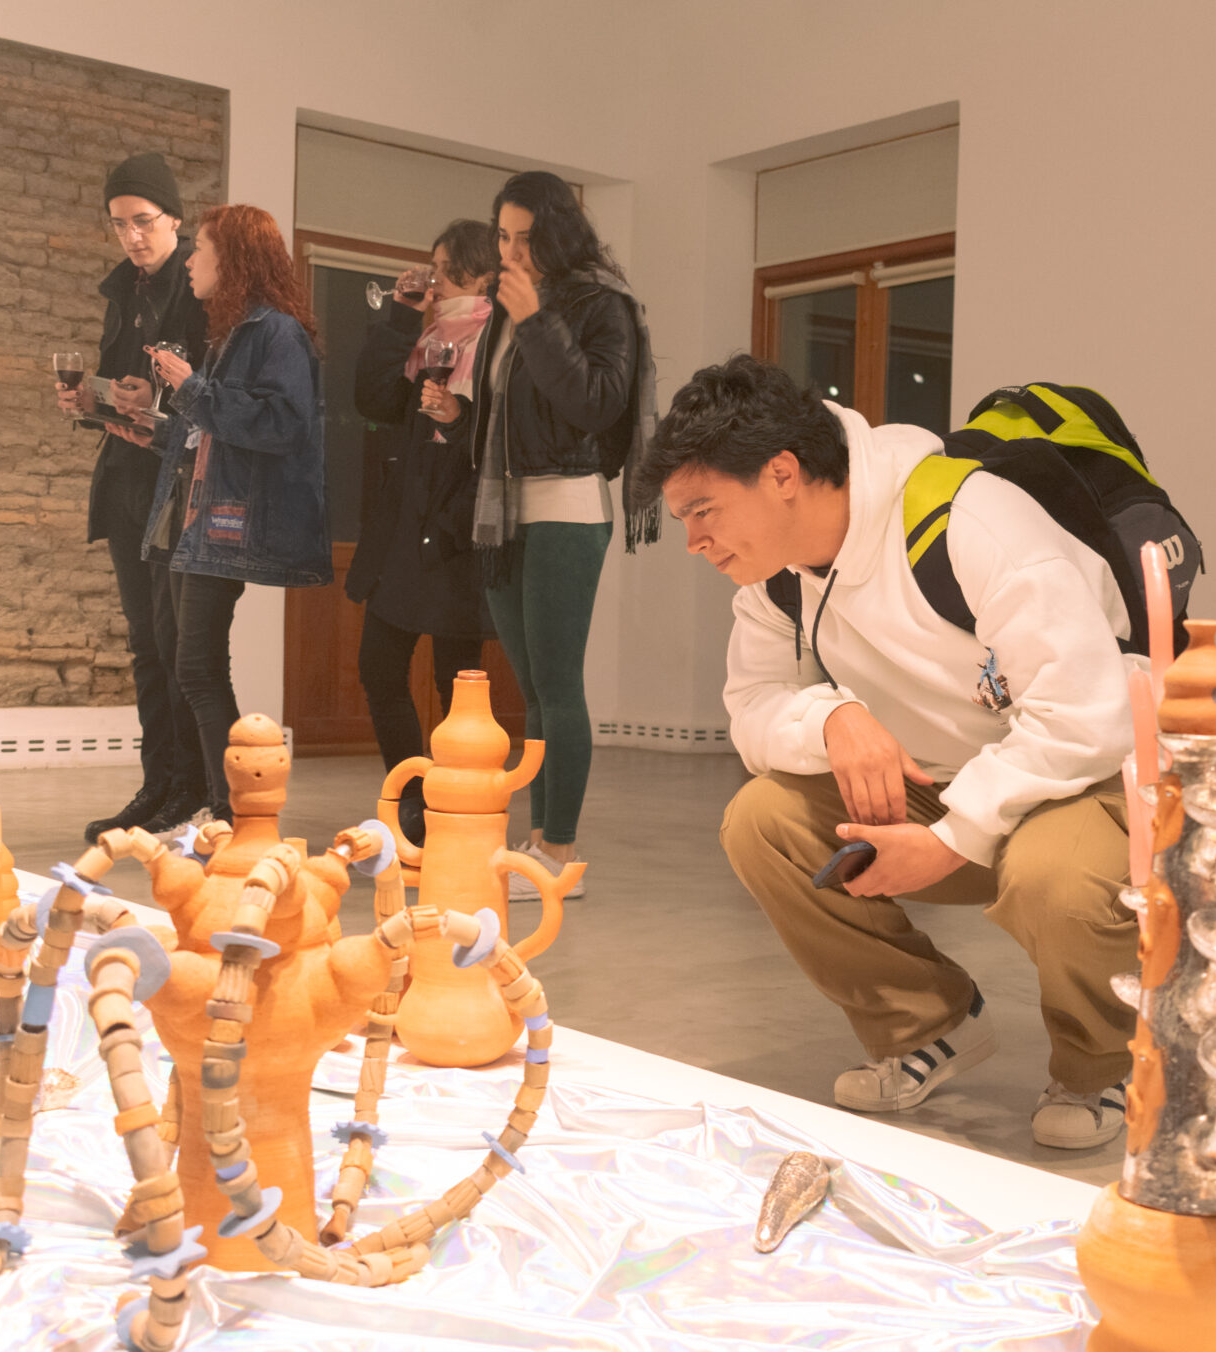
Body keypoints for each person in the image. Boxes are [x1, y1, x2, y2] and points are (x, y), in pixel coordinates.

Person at [638, 355, 1138, 1150]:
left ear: (781, 474)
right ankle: (929, 1025)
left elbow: (1085, 717)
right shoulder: (776, 578)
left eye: (704, 511)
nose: (695, 542)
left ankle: (1103, 1063)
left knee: (1055, 876)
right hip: (939, 783)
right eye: (683, 521)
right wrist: (832, 720)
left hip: (1083, 781)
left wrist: (953, 837)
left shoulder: (967, 521)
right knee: (762, 821)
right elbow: (752, 709)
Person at [467, 171, 657, 897]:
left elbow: (596, 405)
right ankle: (540, 839)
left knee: (557, 683)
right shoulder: (506, 306)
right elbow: (507, 411)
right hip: (508, 509)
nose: (511, 253)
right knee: (533, 690)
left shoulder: (601, 303)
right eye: (503, 237)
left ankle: (560, 852)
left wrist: (538, 320)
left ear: (559, 235)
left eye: (526, 238)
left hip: (569, 506)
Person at [143, 204, 331, 822]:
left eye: (200, 248)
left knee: (198, 667)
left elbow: (282, 424)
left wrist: (190, 386)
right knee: (189, 664)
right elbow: (211, 432)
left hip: (226, 523)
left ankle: (234, 812)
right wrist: (148, 426)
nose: (190, 261)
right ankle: (219, 804)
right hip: (197, 520)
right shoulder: (231, 333)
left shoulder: (277, 332)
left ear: (233, 259)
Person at [56, 152, 208, 842]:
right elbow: (123, 388)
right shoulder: (123, 291)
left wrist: (159, 397)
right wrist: (90, 401)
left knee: (179, 648)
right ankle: (157, 785)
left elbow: (209, 392)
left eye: (143, 221)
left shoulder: (199, 287)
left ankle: (192, 787)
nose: (132, 236)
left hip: (176, 488)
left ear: (174, 217)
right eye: (119, 224)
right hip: (125, 480)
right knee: (146, 645)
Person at [349, 220, 500, 843]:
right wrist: (399, 319)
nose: (431, 281)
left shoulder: (499, 339)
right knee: (379, 667)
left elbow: (496, 440)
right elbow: (372, 400)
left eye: (442, 270)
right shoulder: (427, 337)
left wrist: (454, 515)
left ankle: (458, 805)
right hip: (406, 521)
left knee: (457, 682)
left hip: (459, 525)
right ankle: (413, 799)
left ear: (479, 275)